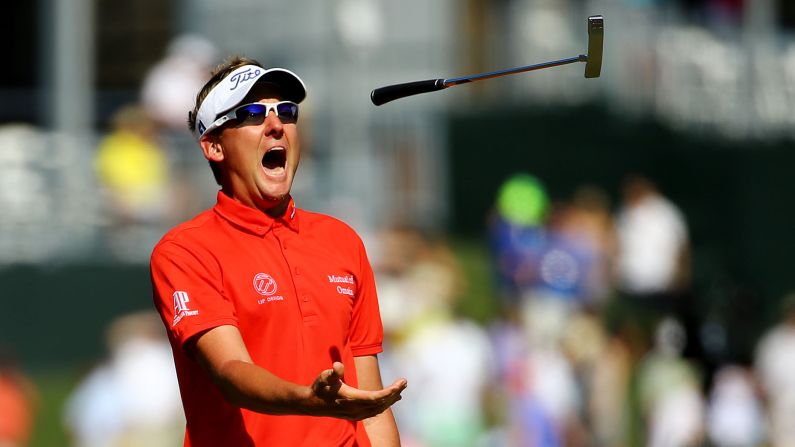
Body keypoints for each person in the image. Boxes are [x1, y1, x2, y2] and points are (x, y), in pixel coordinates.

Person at [149, 56, 406, 447]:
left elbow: (371, 405)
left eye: (286, 112)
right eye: (253, 114)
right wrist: (309, 399)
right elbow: (232, 373)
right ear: (214, 145)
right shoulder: (185, 251)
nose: (276, 125)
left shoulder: (341, 241)